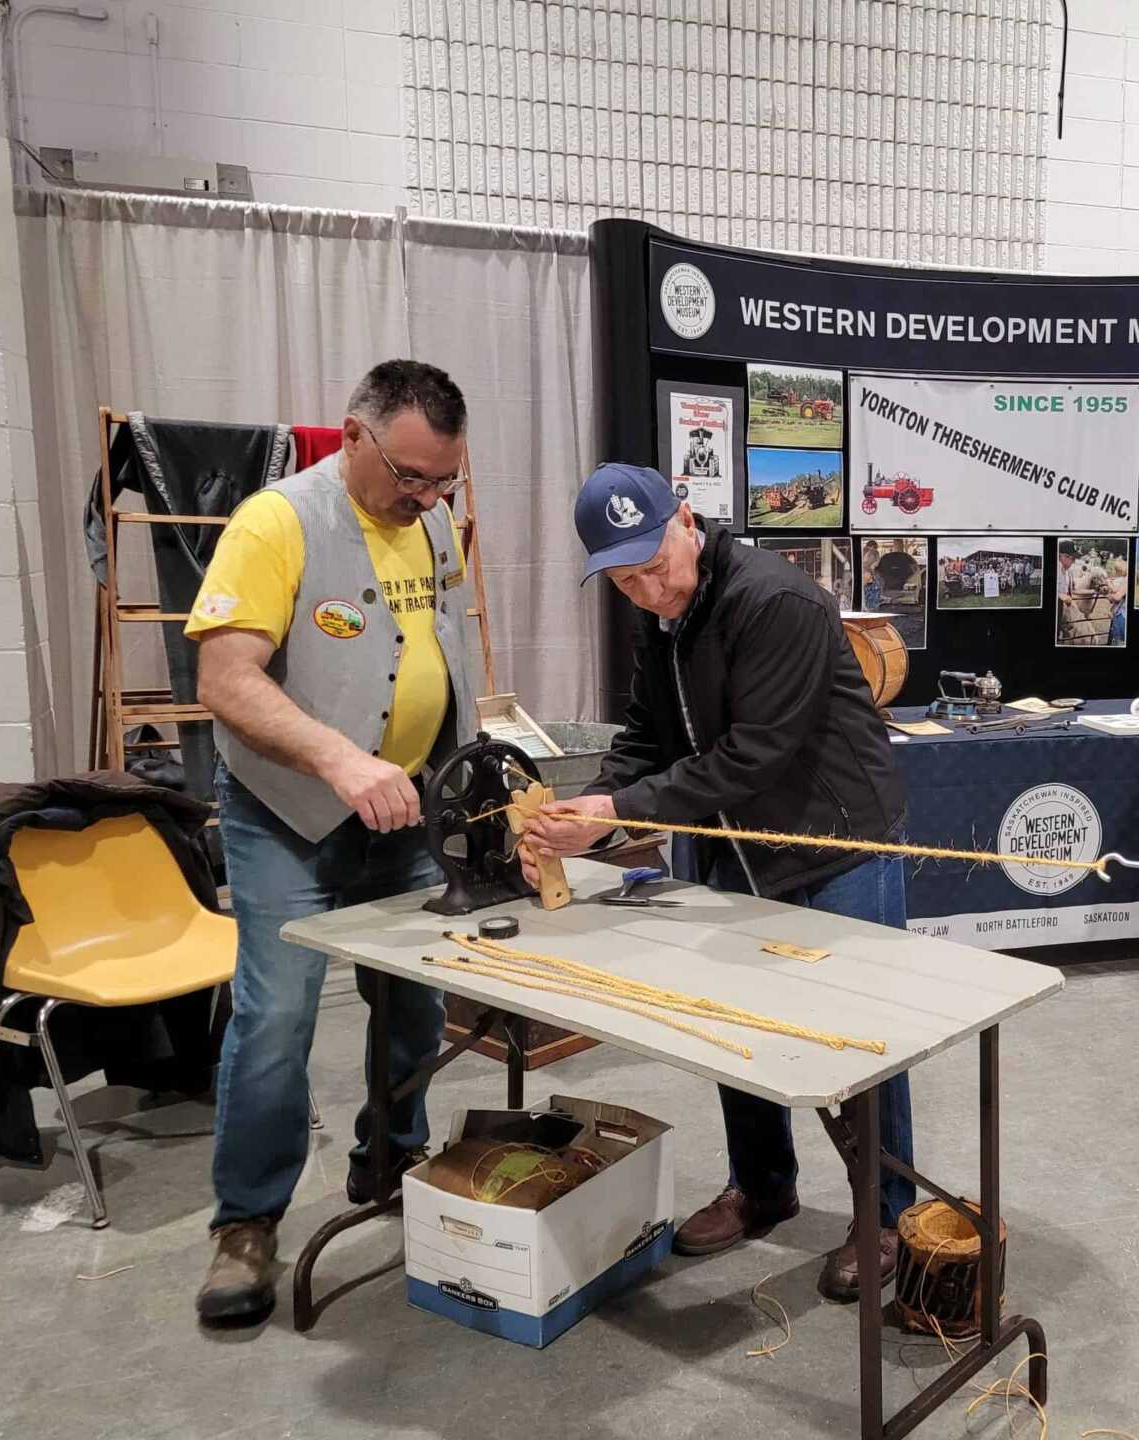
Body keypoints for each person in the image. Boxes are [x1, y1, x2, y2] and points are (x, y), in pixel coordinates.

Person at [522, 464, 913, 1303]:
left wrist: (616, 810)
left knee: (862, 1040)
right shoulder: (656, 614)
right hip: (727, 850)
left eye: (655, 564)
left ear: (686, 521)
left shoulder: (775, 602)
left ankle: (883, 1214)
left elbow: (753, 755)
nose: (648, 587)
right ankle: (764, 1185)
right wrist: (594, 802)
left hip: (834, 845)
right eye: (625, 578)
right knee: (732, 1025)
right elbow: (646, 734)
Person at [188, 360, 479, 1326]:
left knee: (413, 1008)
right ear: (353, 436)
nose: (429, 499)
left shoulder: (431, 520)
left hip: (407, 816)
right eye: (411, 477)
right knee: (276, 1020)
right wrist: (341, 761)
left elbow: (436, 652)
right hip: (290, 818)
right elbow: (226, 683)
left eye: (445, 482)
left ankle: (389, 1156)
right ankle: (247, 1222)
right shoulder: (277, 522)